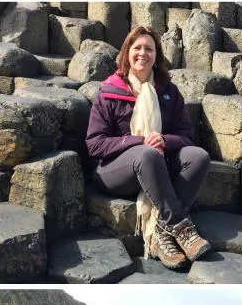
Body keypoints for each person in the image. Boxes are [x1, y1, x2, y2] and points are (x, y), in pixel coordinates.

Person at [86, 27, 211, 271]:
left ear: (157, 56)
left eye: (149, 49)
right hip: (115, 172)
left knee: (199, 156)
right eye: (137, 48)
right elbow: (94, 144)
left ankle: (162, 233)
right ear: (127, 54)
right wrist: (138, 140)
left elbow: (187, 136)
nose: (143, 53)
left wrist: (165, 140)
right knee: (146, 152)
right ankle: (181, 227)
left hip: (157, 164)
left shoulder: (169, 92)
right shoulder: (109, 92)